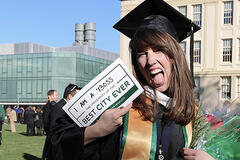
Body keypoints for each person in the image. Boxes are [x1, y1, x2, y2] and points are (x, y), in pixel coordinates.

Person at [48, 0, 214, 159]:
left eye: (158, 49)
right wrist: (96, 130)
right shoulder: (120, 103)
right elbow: (56, 144)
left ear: (174, 56)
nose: (150, 61)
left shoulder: (194, 115)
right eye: (141, 53)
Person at [43, 84, 81, 160]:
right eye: (78, 96)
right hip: (59, 149)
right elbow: (52, 129)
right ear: (70, 96)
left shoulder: (67, 107)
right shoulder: (59, 107)